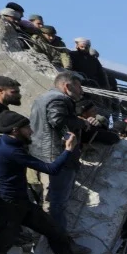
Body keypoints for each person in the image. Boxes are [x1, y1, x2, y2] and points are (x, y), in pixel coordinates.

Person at [0, 109, 100, 254]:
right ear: (15, 130)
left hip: (21, 203)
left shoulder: (6, 143)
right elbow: (51, 169)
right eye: (27, 128)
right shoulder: (9, 151)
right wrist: (68, 150)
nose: (31, 131)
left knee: (56, 232)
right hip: (5, 206)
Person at [28, 71, 84, 229]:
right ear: (67, 86)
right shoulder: (59, 98)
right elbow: (57, 120)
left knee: (51, 200)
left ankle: (51, 238)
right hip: (57, 156)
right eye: (79, 86)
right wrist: (79, 124)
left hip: (44, 154)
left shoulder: (43, 98)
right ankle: (58, 241)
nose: (82, 91)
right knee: (57, 202)